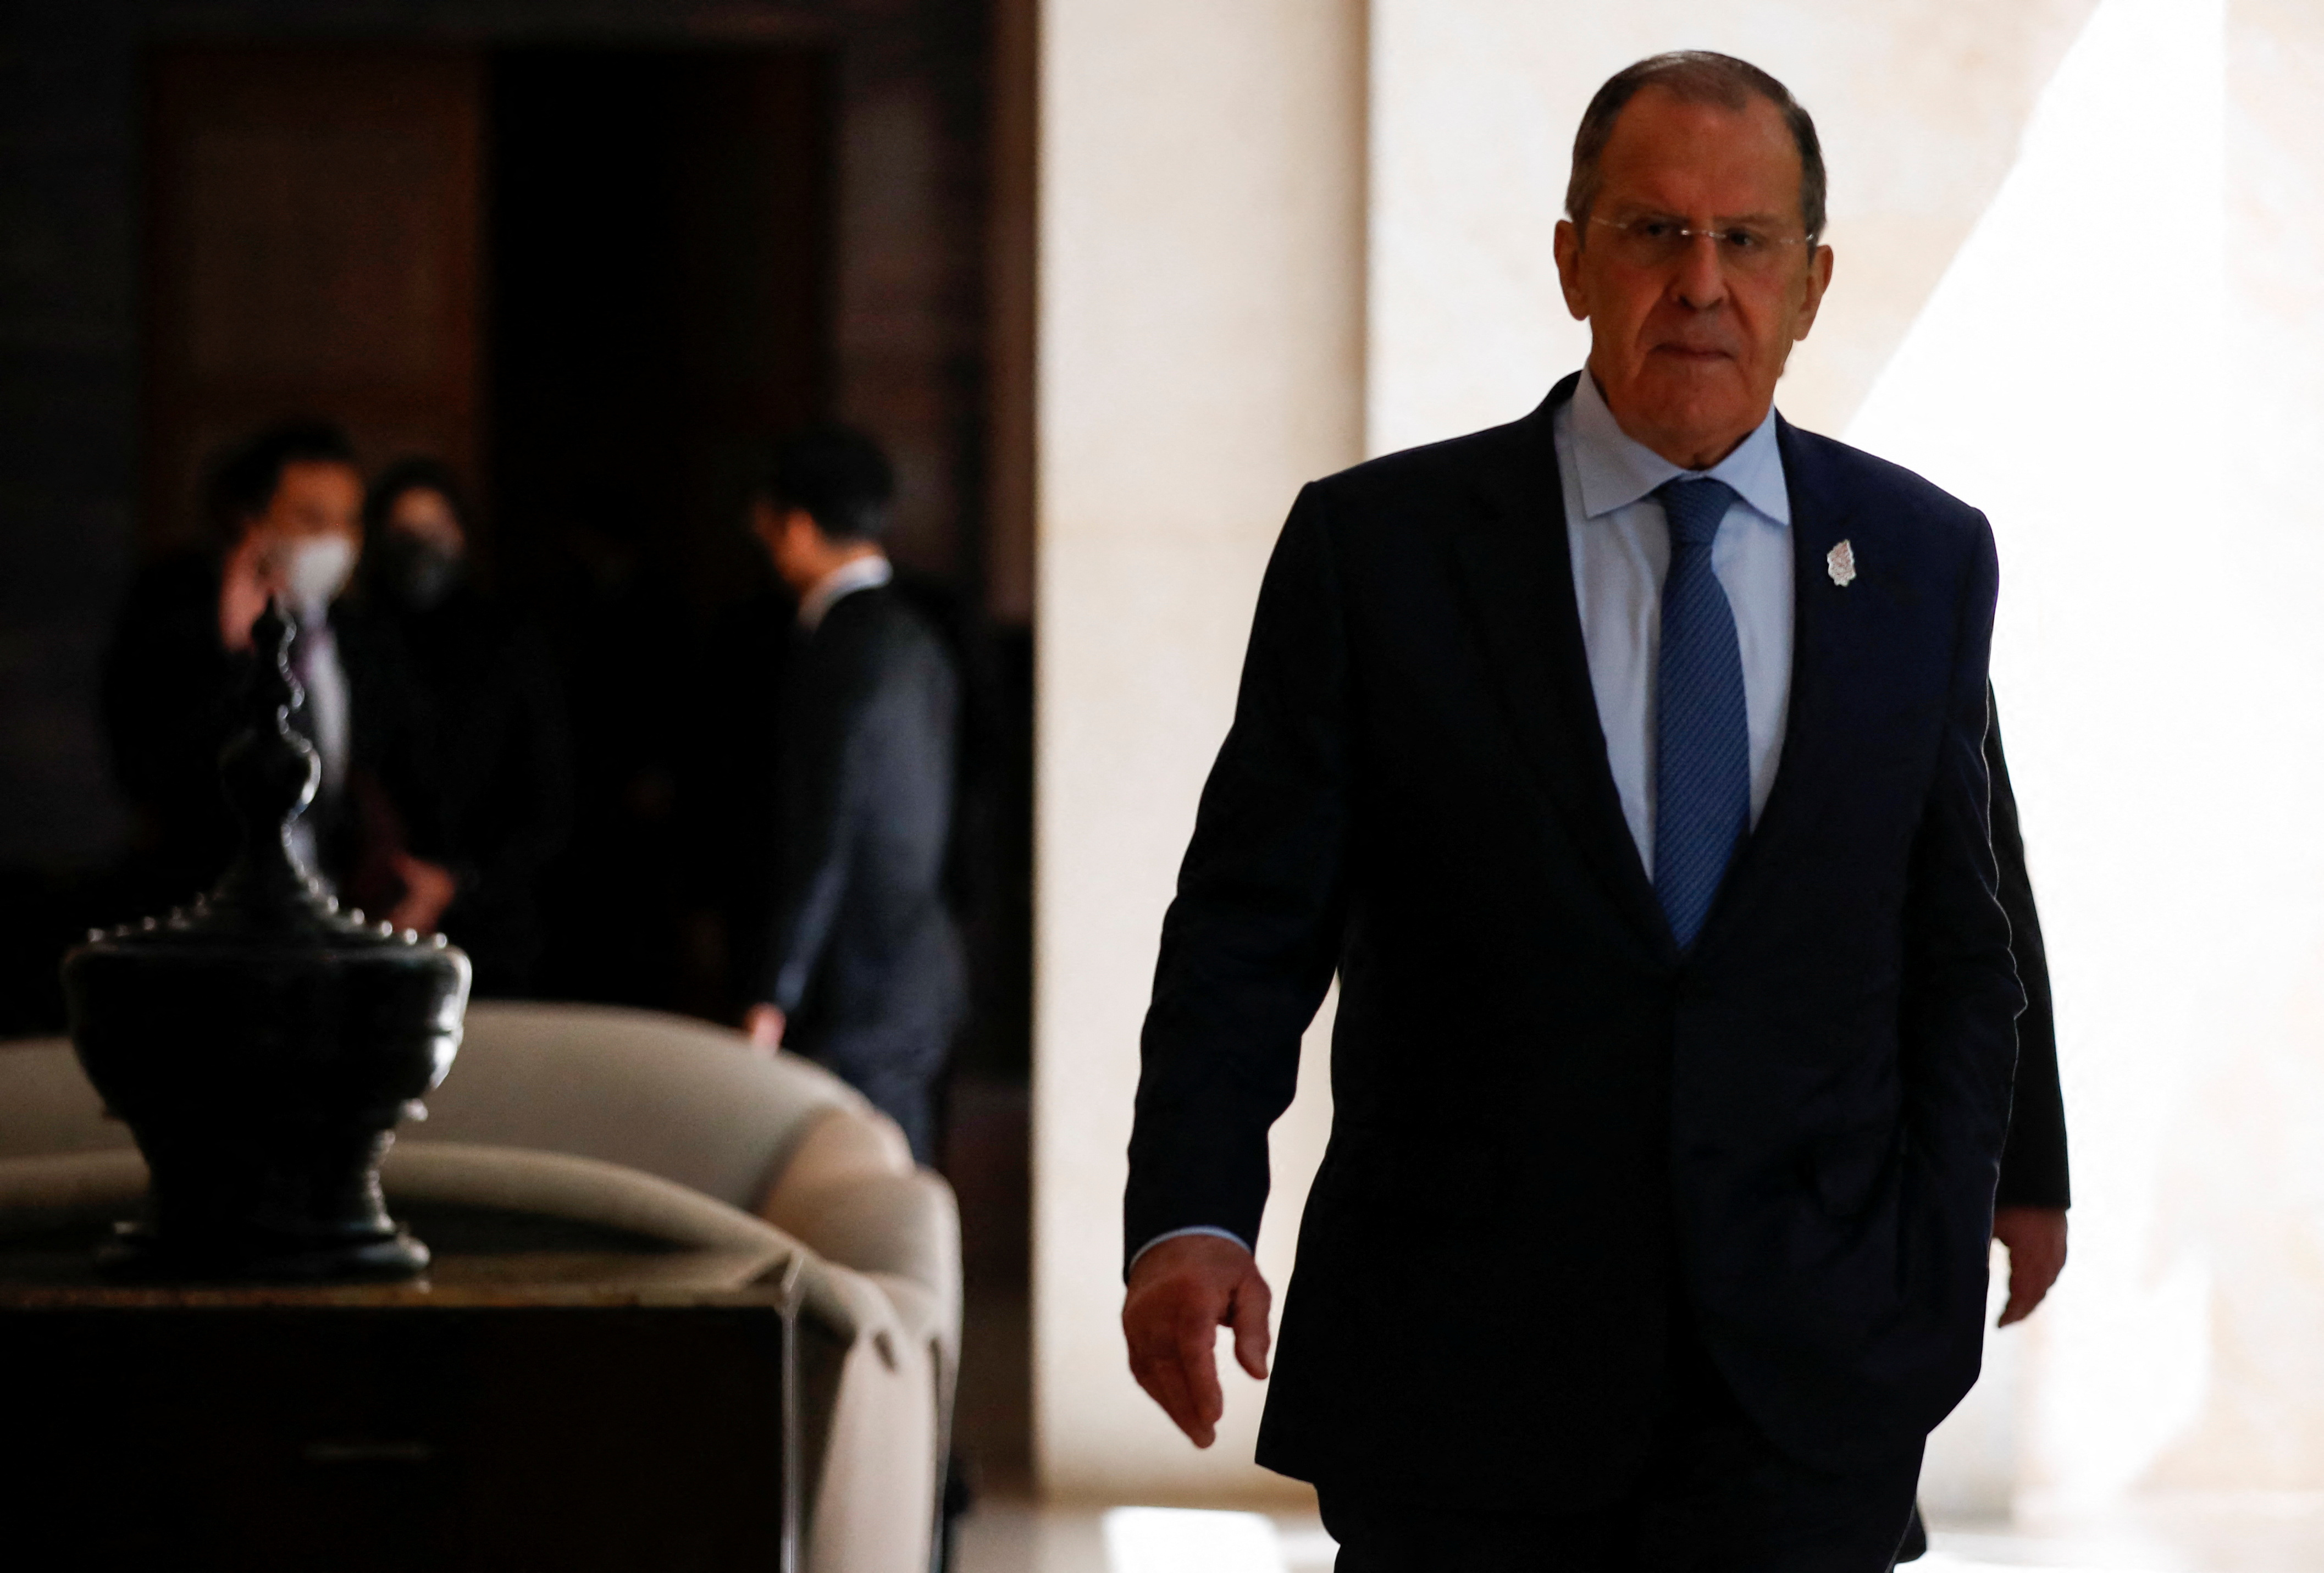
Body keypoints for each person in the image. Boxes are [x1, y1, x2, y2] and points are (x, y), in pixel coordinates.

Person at [1122, 53, 2060, 1571]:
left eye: (1745, 239)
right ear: (1571, 260)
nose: (1702, 283)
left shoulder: (1919, 558)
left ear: (1812, 284)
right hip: (1460, 1375)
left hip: (1807, 1376)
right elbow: (1245, 927)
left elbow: (1963, 919)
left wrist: (1977, 1201)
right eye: (1653, 232)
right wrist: (1192, 1214)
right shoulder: (1380, 551)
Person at [104, 421, 454, 930]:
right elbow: (153, 774)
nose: (335, 541)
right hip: (210, 920)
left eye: (348, 522)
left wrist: (431, 875)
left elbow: (410, 772)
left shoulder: (364, 638)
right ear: (251, 521)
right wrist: (233, 656)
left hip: (335, 920)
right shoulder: (173, 618)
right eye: (312, 520)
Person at [742, 425, 964, 1165]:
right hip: (914, 967)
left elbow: (827, 824)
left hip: (858, 988)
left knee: (866, 1194)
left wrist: (776, 987)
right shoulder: (919, 636)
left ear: (799, 528)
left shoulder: (843, 648)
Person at [364, 458, 574, 994]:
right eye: (404, 534)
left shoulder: (510, 643)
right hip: (372, 918)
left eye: (434, 529)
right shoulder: (358, 640)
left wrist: (459, 884)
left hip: (494, 934)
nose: (420, 548)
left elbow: (548, 799)